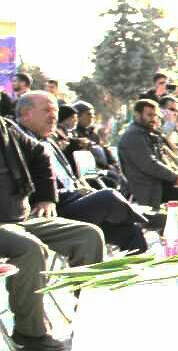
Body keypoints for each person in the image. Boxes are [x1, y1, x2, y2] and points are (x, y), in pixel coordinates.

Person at [0, 115, 104, 351]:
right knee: (29, 248)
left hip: (18, 219)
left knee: (88, 235)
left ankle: (90, 315)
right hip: (6, 228)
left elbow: (40, 153)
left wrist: (47, 196)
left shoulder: (6, 128)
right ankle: (30, 332)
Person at [15, 92, 149, 254]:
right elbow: (28, 186)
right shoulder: (16, 143)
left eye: (55, 111)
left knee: (132, 231)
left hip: (73, 199)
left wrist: (80, 188)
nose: (54, 116)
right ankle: (146, 220)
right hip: (53, 209)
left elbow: (68, 176)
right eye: (47, 110)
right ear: (26, 113)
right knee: (108, 197)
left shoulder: (49, 140)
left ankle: (138, 263)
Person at [117, 99, 178, 237]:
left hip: (156, 183)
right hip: (144, 188)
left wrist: (177, 174)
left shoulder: (147, 132)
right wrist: (174, 177)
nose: (153, 119)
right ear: (138, 115)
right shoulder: (133, 136)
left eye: (155, 115)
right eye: (149, 115)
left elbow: (162, 159)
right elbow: (149, 164)